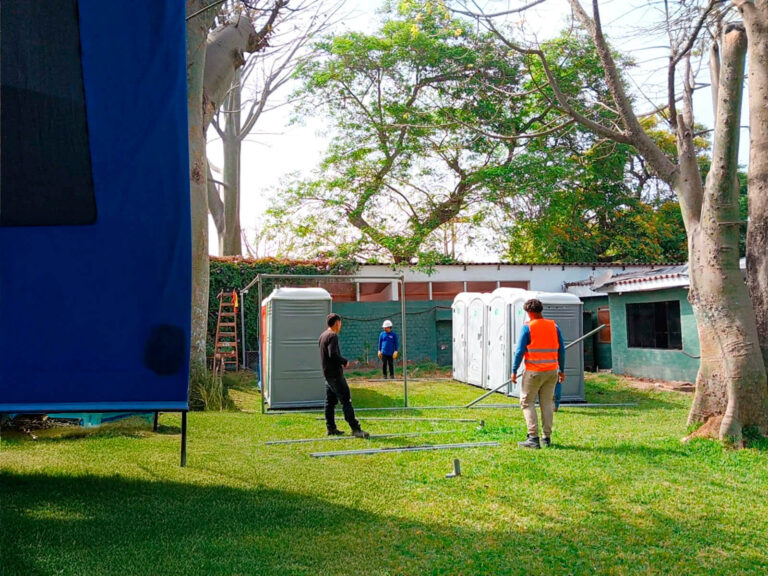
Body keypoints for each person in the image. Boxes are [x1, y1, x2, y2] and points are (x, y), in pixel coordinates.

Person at [510, 299, 566, 449]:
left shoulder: (528, 327)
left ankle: (533, 438)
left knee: (527, 402)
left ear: (529, 312)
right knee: (547, 403)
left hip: (534, 372)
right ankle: (546, 438)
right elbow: (561, 349)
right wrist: (562, 370)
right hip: (552, 371)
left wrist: (514, 370)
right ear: (541, 310)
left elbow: (520, 351)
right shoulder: (554, 326)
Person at [318, 313, 370, 438]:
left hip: (327, 374)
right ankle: (355, 429)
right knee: (346, 400)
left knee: (330, 402)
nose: (340, 326)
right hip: (335, 375)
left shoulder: (322, 336)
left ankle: (331, 428)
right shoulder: (332, 336)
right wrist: (344, 361)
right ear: (337, 323)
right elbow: (332, 354)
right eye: (340, 323)